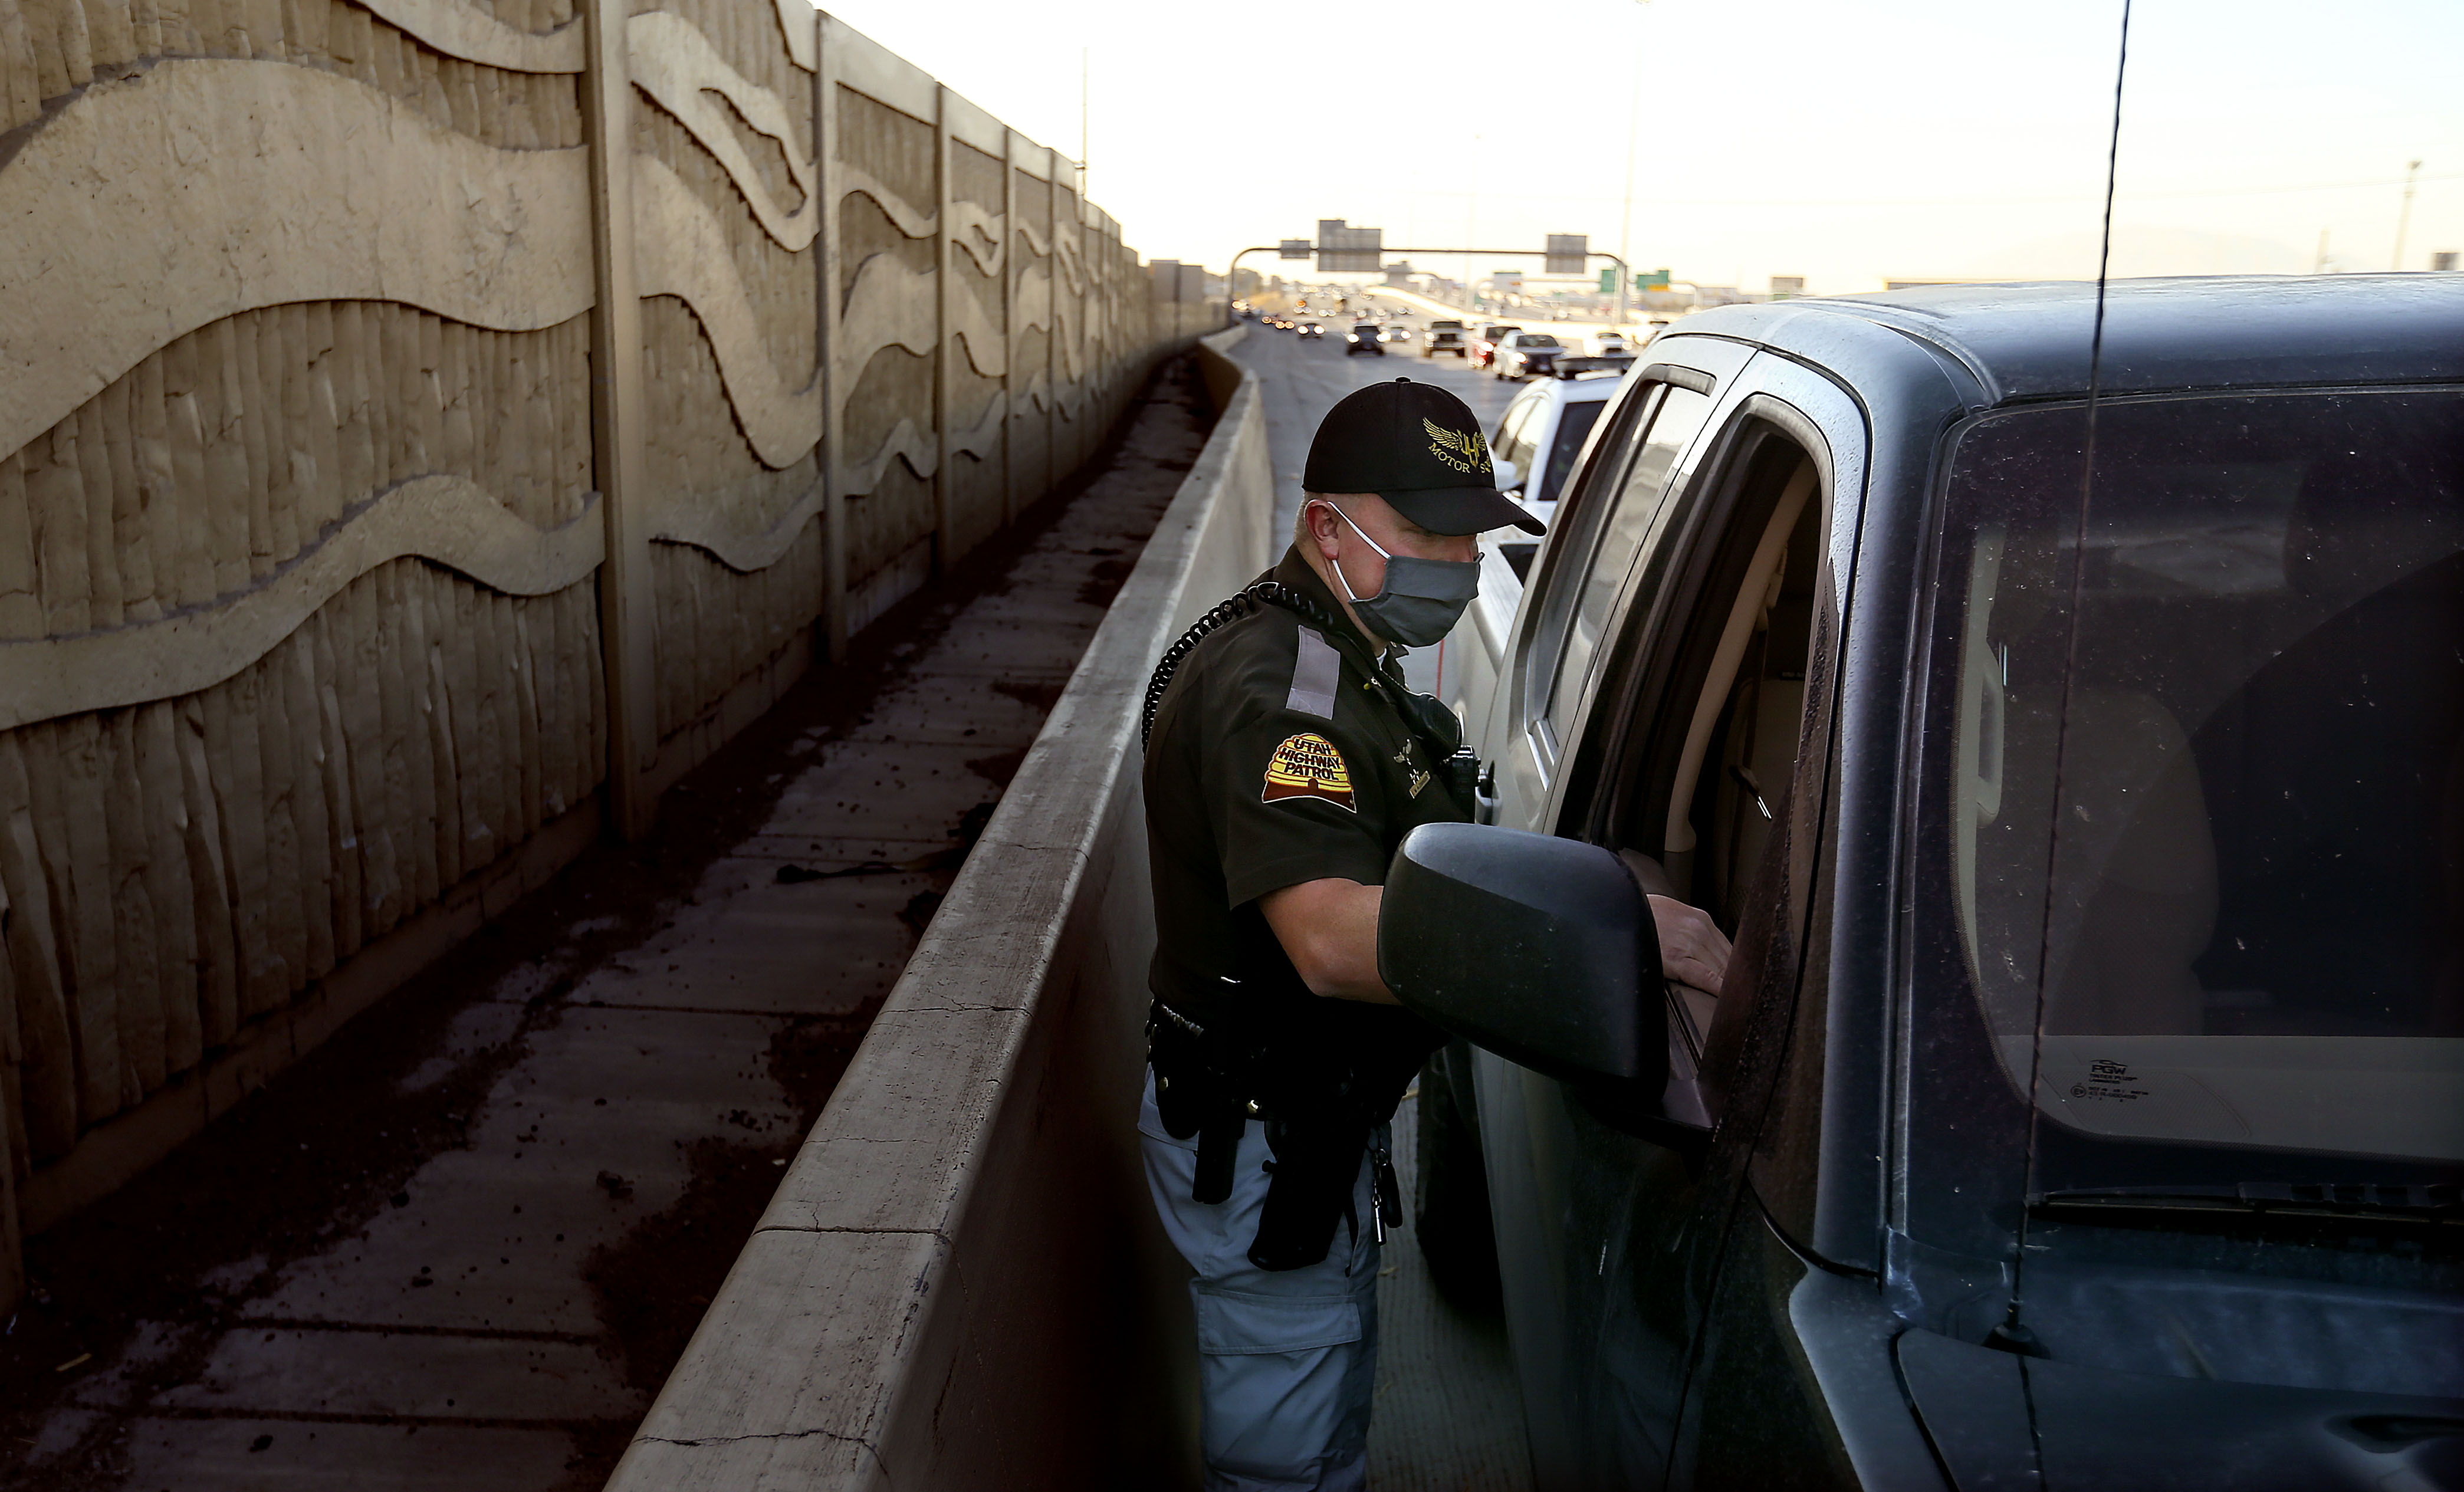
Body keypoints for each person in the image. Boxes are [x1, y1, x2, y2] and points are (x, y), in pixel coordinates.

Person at [1139, 377, 1732, 1490]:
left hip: (1304, 1121)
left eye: (1471, 537)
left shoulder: (1340, 651)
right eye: (1430, 534)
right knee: (1287, 1464)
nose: (1460, 567)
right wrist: (1608, 934)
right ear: (1327, 527)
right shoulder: (1286, 695)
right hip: (1270, 1136)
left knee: (1321, 1409)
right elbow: (1327, 938)